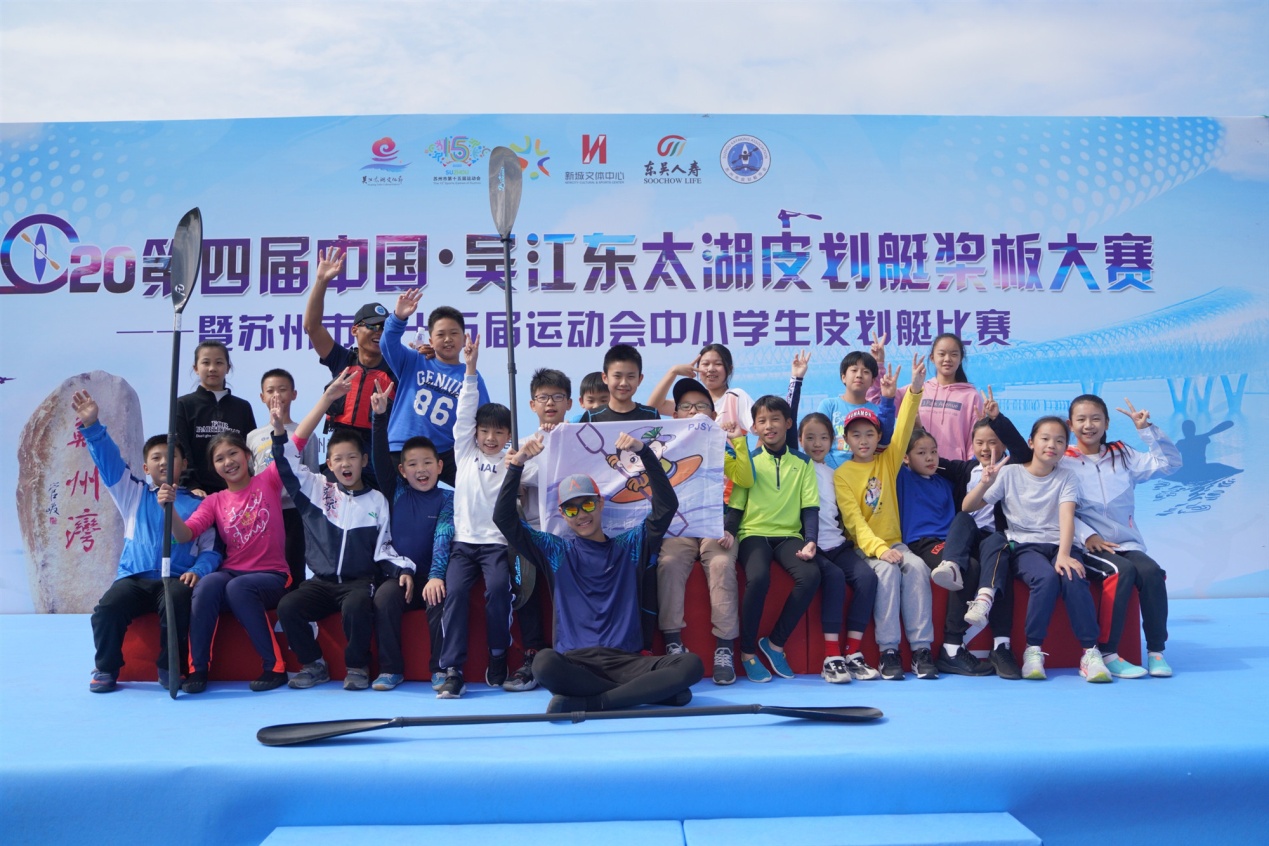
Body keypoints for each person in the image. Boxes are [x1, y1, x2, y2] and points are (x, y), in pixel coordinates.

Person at [494, 432, 703, 713]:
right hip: (576, 664)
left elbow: (666, 506)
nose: (582, 514)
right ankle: (639, 694)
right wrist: (517, 466)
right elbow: (504, 518)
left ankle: (597, 702)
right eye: (571, 509)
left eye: (588, 504)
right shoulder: (555, 551)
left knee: (690, 664)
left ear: (600, 503)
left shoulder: (630, 546)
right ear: (562, 514)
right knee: (543, 663)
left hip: (626, 662)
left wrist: (644, 452)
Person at [273, 370, 413, 691]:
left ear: (364, 460)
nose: (345, 464)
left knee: (356, 605)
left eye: (352, 457)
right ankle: (313, 664)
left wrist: (403, 569)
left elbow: (385, 547)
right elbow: (286, 460)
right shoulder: (315, 490)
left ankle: (357, 666)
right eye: (338, 459)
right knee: (288, 606)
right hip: (321, 583)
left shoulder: (377, 500)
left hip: (359, 583)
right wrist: (282, 429)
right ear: (330, 463)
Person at [73, 391, 220, 693]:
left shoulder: (200, 504)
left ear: (183, 463)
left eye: (171, 457)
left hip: (175, 578)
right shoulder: (133, 494)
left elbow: (212, 549)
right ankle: (106, 668)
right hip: (134, 578)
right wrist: (92, 426)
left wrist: (199, 570)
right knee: (107, 609)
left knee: (177, 603)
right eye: (156, 458)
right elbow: (109, 462)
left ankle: (170, 667)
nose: (164, 462)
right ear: (145, 467)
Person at [963, 417, 1112, 683]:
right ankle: (1033, 650)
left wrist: (1064, 555)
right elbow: (968, 507)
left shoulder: (1067, 476)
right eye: (1045, 439)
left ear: (1065, 447)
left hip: (1060, 545)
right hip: (1024, 545)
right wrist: (984, 482)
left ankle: (1090, 653)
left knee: (1073, 576)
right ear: (1031, 442)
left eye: (1059, 441)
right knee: (1045, 578)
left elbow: (1067, 517)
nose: (1051, 445)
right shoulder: (1010, 474)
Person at [159, 433, 291, 693]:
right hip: (233, 573)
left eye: (233, 453)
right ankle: (198, 670)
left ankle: (274, 668)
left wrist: (282, 428)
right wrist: (169, 509)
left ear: (247, 455)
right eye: (219, 459)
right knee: (208, 584)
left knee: (238, 588)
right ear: (214, 467)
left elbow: (297, 441)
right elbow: (185, 534)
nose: (228, 462)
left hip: (273, 575)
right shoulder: (214, 501)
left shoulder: (269, 480)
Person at [834, 355, 936, 680]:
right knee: (888, 573)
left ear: (879, 437)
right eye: (856, 435)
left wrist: (915, 390)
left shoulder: (888, 461)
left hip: (896, 544)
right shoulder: (842, 474)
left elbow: (904, 427)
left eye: (869, 434)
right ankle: (888, 651)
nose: (863, 440)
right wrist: (879, 550)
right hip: (864, 550)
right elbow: (854, 522)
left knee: (918, 567)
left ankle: (921, 650)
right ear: (846, 440)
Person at [1064, 395, 1181, 678]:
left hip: (1127, 543)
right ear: (1070, 424)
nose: (1089, 425)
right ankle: (1108, 653)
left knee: (1152, 573)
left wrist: (1147, 430)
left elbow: (1170, 463)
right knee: (1121, 572)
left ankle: (1156, 652)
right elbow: (1055, 507)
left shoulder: (1122, 453)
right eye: (1081, 419)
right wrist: (1087, 535)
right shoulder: (1063, 460)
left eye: (1096, 419)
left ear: (1107, 423)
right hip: (1087, 546)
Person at [655, 377, 755, 685]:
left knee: (722, 564)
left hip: (716, 524)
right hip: (680, 527)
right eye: (685, 406)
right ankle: (673, 643)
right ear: (675, 415)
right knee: (668, 563)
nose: (693, 411)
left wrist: (737, 442)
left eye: (700, 406)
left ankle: (724, 648)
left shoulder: (723, 445)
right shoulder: (664, 449)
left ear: (713, 415)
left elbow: (745, 482)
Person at [433, 333, 515, 699]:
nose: (491, 438)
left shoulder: (514, 461)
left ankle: (498, 656)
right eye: (485, 431)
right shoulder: (465, 452)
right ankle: (452, 670)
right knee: (455, 594)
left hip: (497, 546)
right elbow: (465, 410)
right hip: (463, 545)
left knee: (498, 591)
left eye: (499, 432)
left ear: (509, 435)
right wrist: (470, 369)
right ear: (475, 433)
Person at [724, 395, 821, 682]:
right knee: (758, 578)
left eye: (775, 419)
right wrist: (729, 531)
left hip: (789, 535)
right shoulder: (749, 461)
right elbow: (736, 505)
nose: (769, 426)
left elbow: (810, 507)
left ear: (788, 423)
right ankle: (747, 651)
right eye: (762, 421)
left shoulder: (803, 462)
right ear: (754, 427)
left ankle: (775, 643)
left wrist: (810, 540)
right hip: (753, 534)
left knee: (811, 575)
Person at [937, 394, 1030, 680]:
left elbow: (1022, 449)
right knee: (963, 518)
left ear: (1002, 444)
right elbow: (926, 459)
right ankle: (951, 565)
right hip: (965, 541)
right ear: (972, 445)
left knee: (999, 551)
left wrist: (997, 419)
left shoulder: (1013, 466)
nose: (986, 448)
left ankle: (1001, 647)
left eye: (993, 442)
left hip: (995, 539)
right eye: (980, 443)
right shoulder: (965, 469)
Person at [369, 385, 453, 692]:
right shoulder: (396, 492)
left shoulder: (448, 499)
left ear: (439, 466)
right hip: (400, 576)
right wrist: (379, 418)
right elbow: (380, 457)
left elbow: (443, 537)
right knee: (383, 597)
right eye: (413, 465)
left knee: (440, 599)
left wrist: (435, 577)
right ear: (402, 471)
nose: (421, 470)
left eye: (428, 463)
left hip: (433, 578)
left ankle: (441, 669)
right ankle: (391, 669)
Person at [897, 428, 994, 677]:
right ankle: (952, 648)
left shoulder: (946, 482)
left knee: (968, 520)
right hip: (923, 542)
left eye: (934, 451)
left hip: (952, 542)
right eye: (921, 453)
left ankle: (953, 564)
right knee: (969, 567)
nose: (930, 458)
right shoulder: (902, 478)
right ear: (905, 457)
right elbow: (892, 443)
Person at [796, 412, 880, 683]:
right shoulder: (796, 469)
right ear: (799, 440)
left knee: (867, 578)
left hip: (838, 544)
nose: (817, 443)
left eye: (823, 438)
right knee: (833, 577)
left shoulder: (836, 475)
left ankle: (852, 653)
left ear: (833, 441)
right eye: (810, 438)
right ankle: (831, 657)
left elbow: (846, 515)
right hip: (811, 546)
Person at [504, 368, 574, 691]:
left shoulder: (583, 441)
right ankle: (532, 654)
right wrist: (522, 461)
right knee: (522, 573)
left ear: (569, 403)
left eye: (557, 397)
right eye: (543, 397)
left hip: (572, 535)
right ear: (532, 405)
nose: (550, 403)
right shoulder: (520, 446)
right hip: (534, 534)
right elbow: (511, 489)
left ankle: (572, 654)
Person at [380, 287, 488, 487]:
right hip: (401, 447)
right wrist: (398, 318)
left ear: (464, 338)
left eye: (454, 333)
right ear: (431, 340)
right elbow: (387, 344)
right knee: (395, 500)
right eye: (441, 334)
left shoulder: (471, 375)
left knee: (478, 488)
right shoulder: (414, 360)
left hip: (444, 451)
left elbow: (484, 417)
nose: (447, 339)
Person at [302, 245, 396, 448]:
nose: (379, 332)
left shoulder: (397, 368)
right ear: (354, 330)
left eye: (384, 327)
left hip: (378, 449)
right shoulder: (342, 360)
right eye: (372, 326)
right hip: (341, 447)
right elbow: (312, 326)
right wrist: (321, 281)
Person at [246, 368, 320, 590]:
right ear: (262, 397)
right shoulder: (253, 436)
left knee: (294, 568)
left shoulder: (305, 433)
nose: (276, 395)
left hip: (295, 513)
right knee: (264, 568)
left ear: (294, 394)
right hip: (264, 512)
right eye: (270, 391)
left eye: (282, 389)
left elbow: (312, 474)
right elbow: (250, 475)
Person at [871, 333, 983, 460]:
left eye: (954, 354)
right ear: (932, 358)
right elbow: (880, 399)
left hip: (955, 469)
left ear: (961, 358)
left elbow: (975, 440)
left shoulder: (971, 396)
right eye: (942, 354)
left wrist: (970, 469)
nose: (947, 359)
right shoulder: (916, 390)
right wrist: (878, 363)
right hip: (917, 467)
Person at [174, 340, 257, 494]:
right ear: (196, 368)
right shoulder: (183, 404)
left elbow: (251, 449)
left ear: (228, 368)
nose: (212, 368)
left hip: (238, 492)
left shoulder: (242, 407)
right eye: (206, 363)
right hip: (197, 493)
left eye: (219, 363)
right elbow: (181, 448)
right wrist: (192, 486)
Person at [646, 343, 755, 433]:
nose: (711, 369)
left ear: (730, 369)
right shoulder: (690, 403)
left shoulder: (735, 397)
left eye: (718, 364)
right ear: (697, 368)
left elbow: (760, 428)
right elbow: (653, 407)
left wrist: (758, 451)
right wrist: (673, 371)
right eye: (705, 364)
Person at [816, 349, 896, 460]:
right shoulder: (829, 406)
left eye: (866, 372)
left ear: (872, 381)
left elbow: (883, 447)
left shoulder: (878, 412)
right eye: (854, 370)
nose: (859, 375)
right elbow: (818, 441)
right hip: (830, 469)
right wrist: (833, 469)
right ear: (843, 377)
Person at [577, 344, 660, 422]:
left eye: (630, 376)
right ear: (605, 378)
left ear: (639, 379)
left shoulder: (651, 415)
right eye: (617, 376)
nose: (623, 383)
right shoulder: (591, 417)